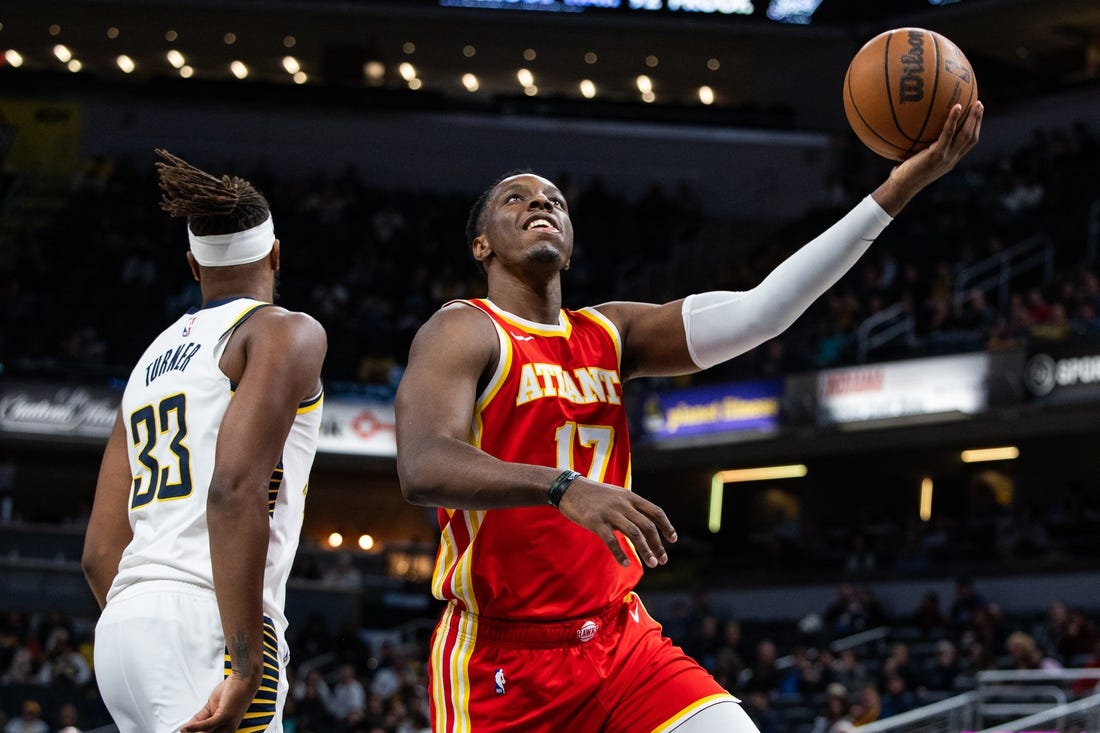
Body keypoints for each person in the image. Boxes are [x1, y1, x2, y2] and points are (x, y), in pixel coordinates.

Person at [395, 100, 983, 732]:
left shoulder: (611, 330)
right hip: (504, 655)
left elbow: (762, 312)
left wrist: (896, 190)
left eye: (555, 201)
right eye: (516, 199)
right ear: (480, 243)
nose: (541, 203)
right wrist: (560, 487)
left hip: (620, 640)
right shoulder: (464, 328)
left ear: (568, 248)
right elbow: (423, 465)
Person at [81, 150, 327, 733]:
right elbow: (234, 489)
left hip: (122, 625)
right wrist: (244, 662)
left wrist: (144, 624)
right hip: (211, 624)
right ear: (275, 254)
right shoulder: (284, 330)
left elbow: (97, 553)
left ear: (193, 265)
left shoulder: (148, 361)